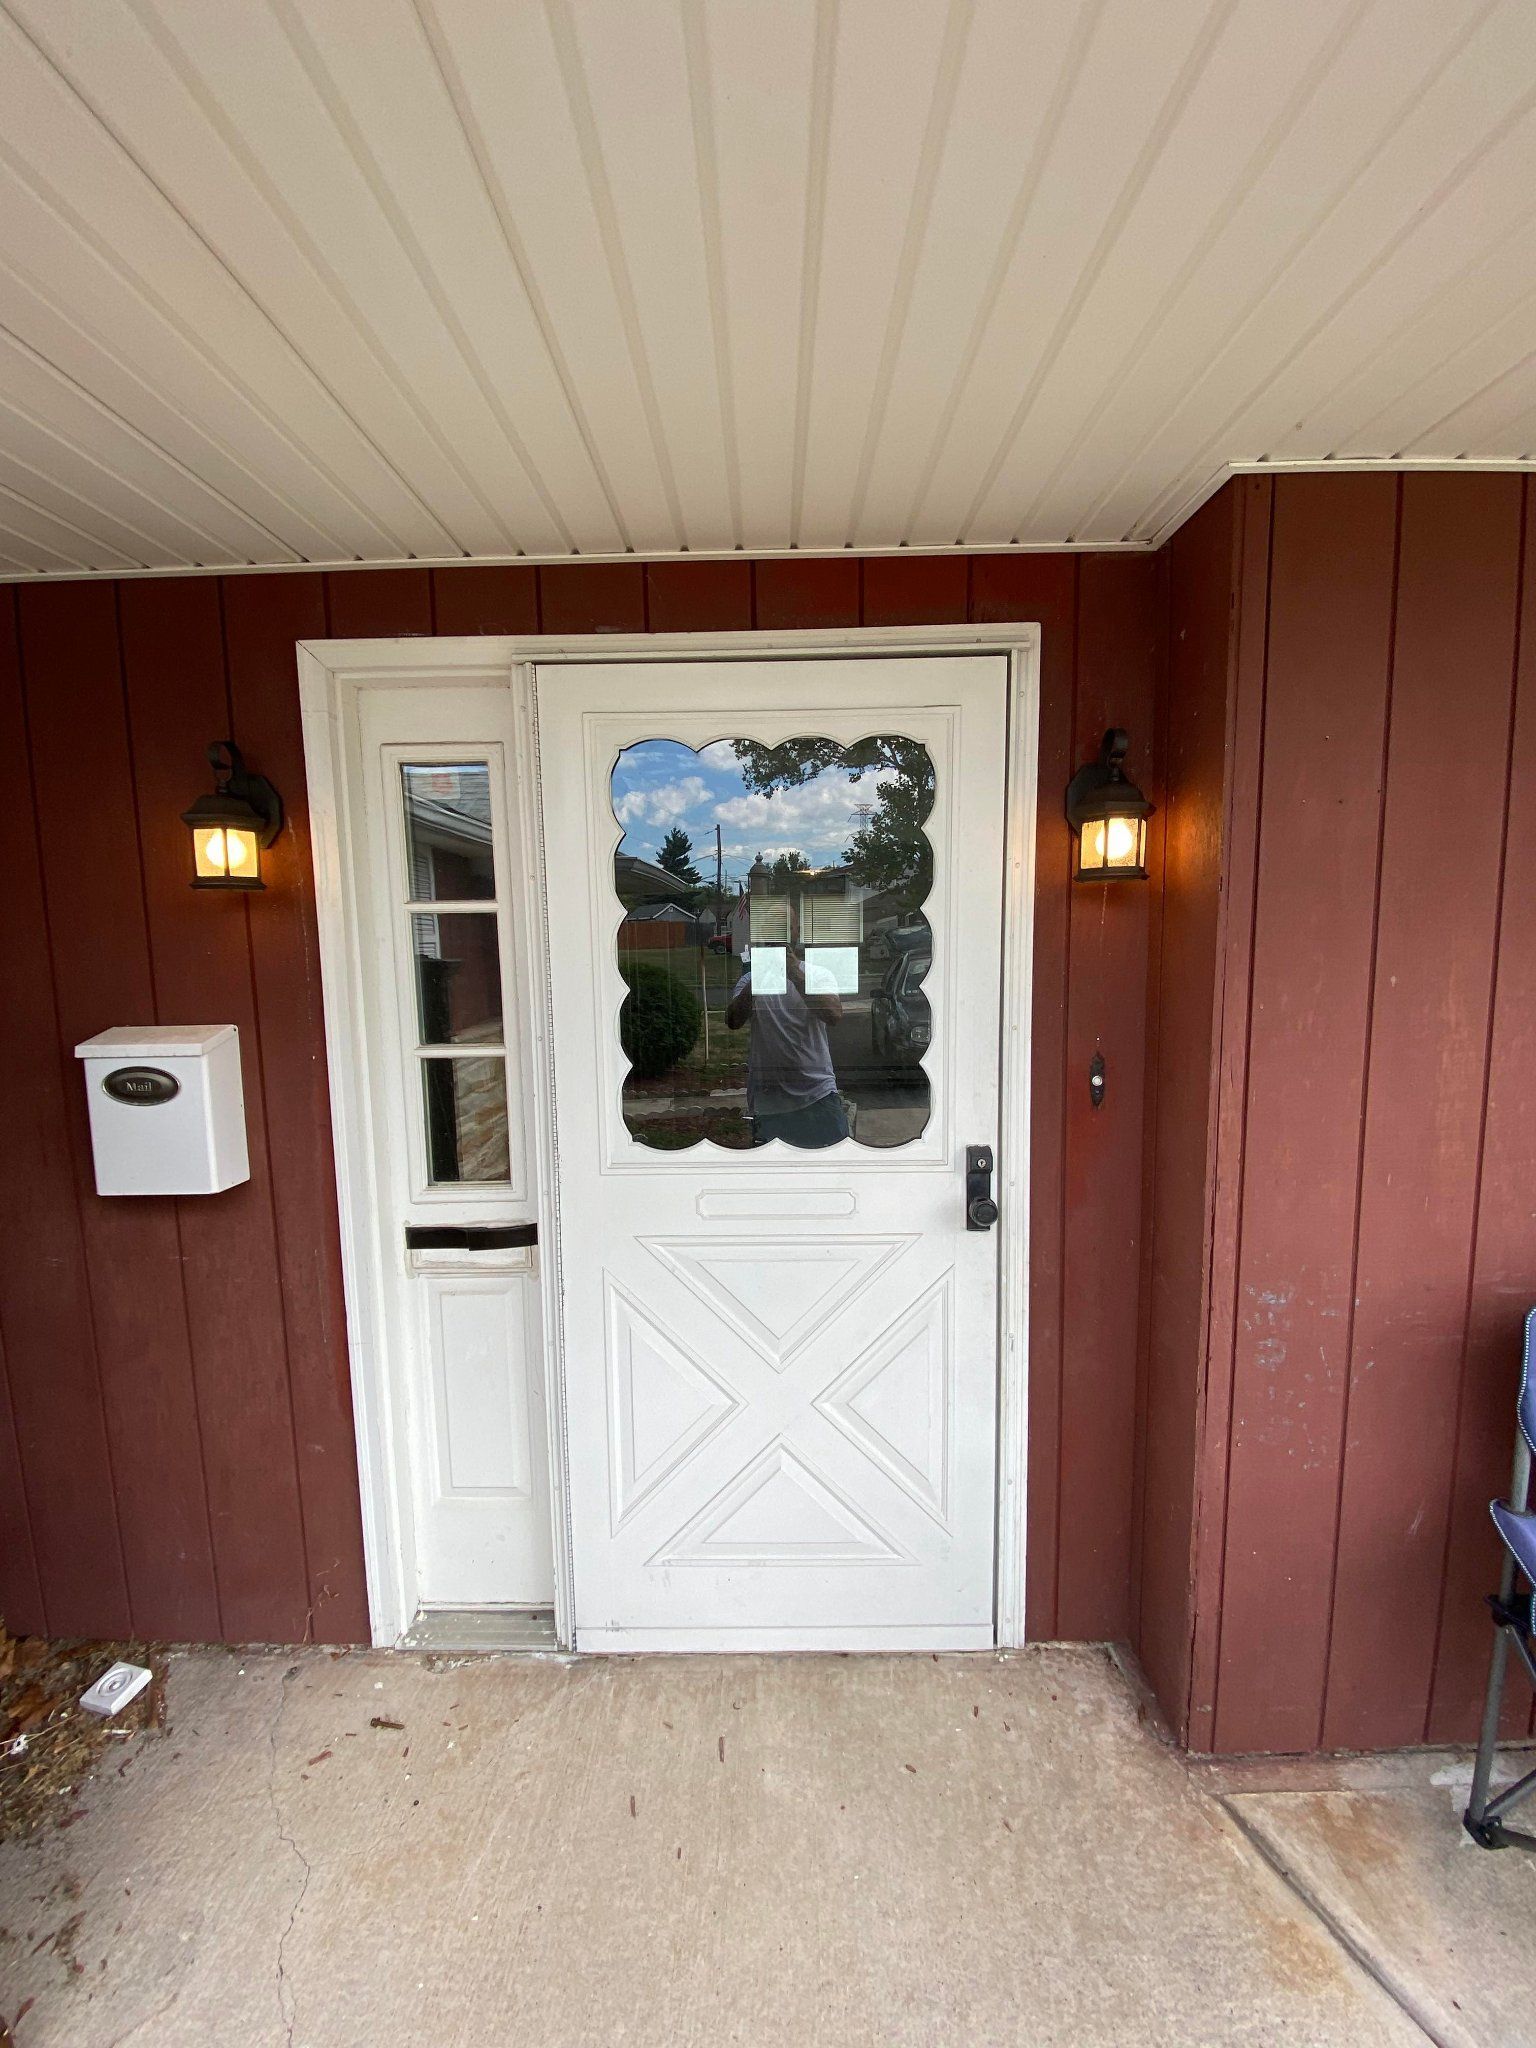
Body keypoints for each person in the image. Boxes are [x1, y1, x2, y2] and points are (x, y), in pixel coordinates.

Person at [725, 936, 848, 1148]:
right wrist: (761, 977)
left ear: (795, 937)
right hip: (769, 1102)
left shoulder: (818, 974)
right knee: (774, 1177)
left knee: (833, 1173)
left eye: (783, 933)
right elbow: (733, 1021)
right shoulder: (749, 981)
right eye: (770, 938)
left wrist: (794, 973)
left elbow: (833, 1015)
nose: (775, 943)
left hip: (817, 1094)